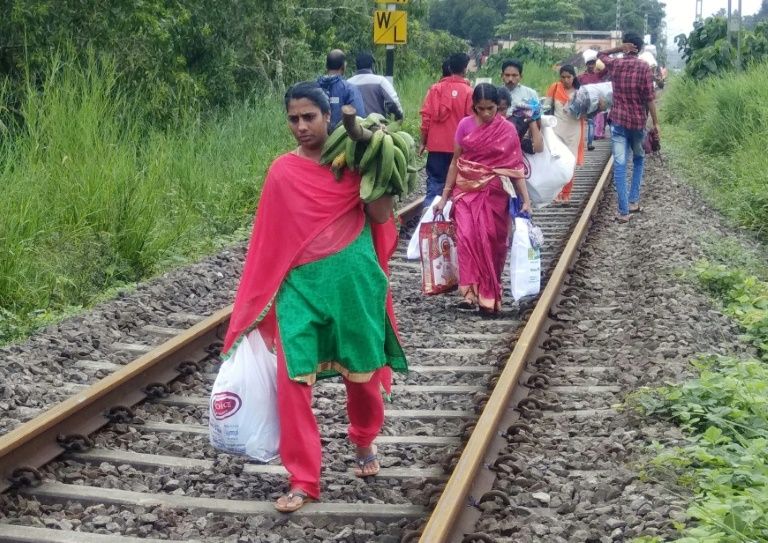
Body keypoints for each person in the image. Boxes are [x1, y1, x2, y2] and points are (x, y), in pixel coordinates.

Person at [221, 82, 408, 513]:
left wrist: (376, 162)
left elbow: (381, 216)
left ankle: (363, 440)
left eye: (309, 117)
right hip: (298, 291)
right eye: (293, 118)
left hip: (354, 284)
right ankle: (303, 478)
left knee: (361, 376)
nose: (301, 126)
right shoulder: (282, 171)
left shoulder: (356, 162)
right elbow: (267, 241)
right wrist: (258, 302)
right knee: (292, 381)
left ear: (329, 117)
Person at [433, 83, 532, 315]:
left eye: (491, 109)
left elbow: (515, 168)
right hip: (466, 191)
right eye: (481, 109)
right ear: (473, 107)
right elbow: (456, 161)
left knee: (491, 240)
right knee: (467, 237)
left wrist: (525, 199)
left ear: (499, 107)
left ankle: (488, 294)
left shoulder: (507, 130)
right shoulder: (464, 125)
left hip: (496, 193)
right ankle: (469, 292)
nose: (486, 114)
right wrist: (444, 197)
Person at [598, 32, 659, 223]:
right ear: (640, 48)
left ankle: (623, 212)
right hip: (638, 123)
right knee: (639, 159)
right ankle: (633, 201)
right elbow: (649, 99)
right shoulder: (644, 67)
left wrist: (617, 49)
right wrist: (656, 123)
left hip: (618, 122)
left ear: (625, 46)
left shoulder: (615, 64)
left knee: (620, 164)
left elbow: (600, 56)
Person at [419, 53, 473, 209]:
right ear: (465, 69)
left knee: (435, 183)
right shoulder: (469, 92)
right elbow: (472, 123)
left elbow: (426, 119)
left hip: (436, 147)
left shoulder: (435, 89)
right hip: (459, 149)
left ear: (449, 67)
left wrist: (423, 142)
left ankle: (429, 216)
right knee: (457, 186)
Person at [546, 64, 585, 204]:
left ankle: (567, 193)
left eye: (568, 77)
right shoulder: (554, 88)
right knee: (557, 161)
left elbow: (587, 110)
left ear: (574, 76)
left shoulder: (580, 91)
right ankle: (557, 192)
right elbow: (546, 107)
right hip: (556, 130)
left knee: (570, 162)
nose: (566, 80)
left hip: (574, 130)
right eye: (563, 77)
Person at [317, 49, 366, 131]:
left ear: (326, 66)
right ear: (343, 66)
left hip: (316, 139)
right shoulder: (350, 89)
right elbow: (360, 119)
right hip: (341, 141)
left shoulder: (313, 87)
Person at [347, 51, 404, 121]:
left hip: (354, 127)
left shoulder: (348, 83)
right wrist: (399, 116)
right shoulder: (380, 81)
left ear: (356, 66)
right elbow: (393, 102)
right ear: (372, 66)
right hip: (378, 127)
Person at [578, 58, 606, 151]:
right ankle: (582, 143)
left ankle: (589, 143)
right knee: (583, 123)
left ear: (595, 65)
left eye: (592, 64)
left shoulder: (598, 75)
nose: (591, 66)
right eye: (589, 64)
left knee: (591, 123)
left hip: (594, 103)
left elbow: (607, 70)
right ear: (586, 65)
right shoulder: (581, 77)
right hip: (585, 102)